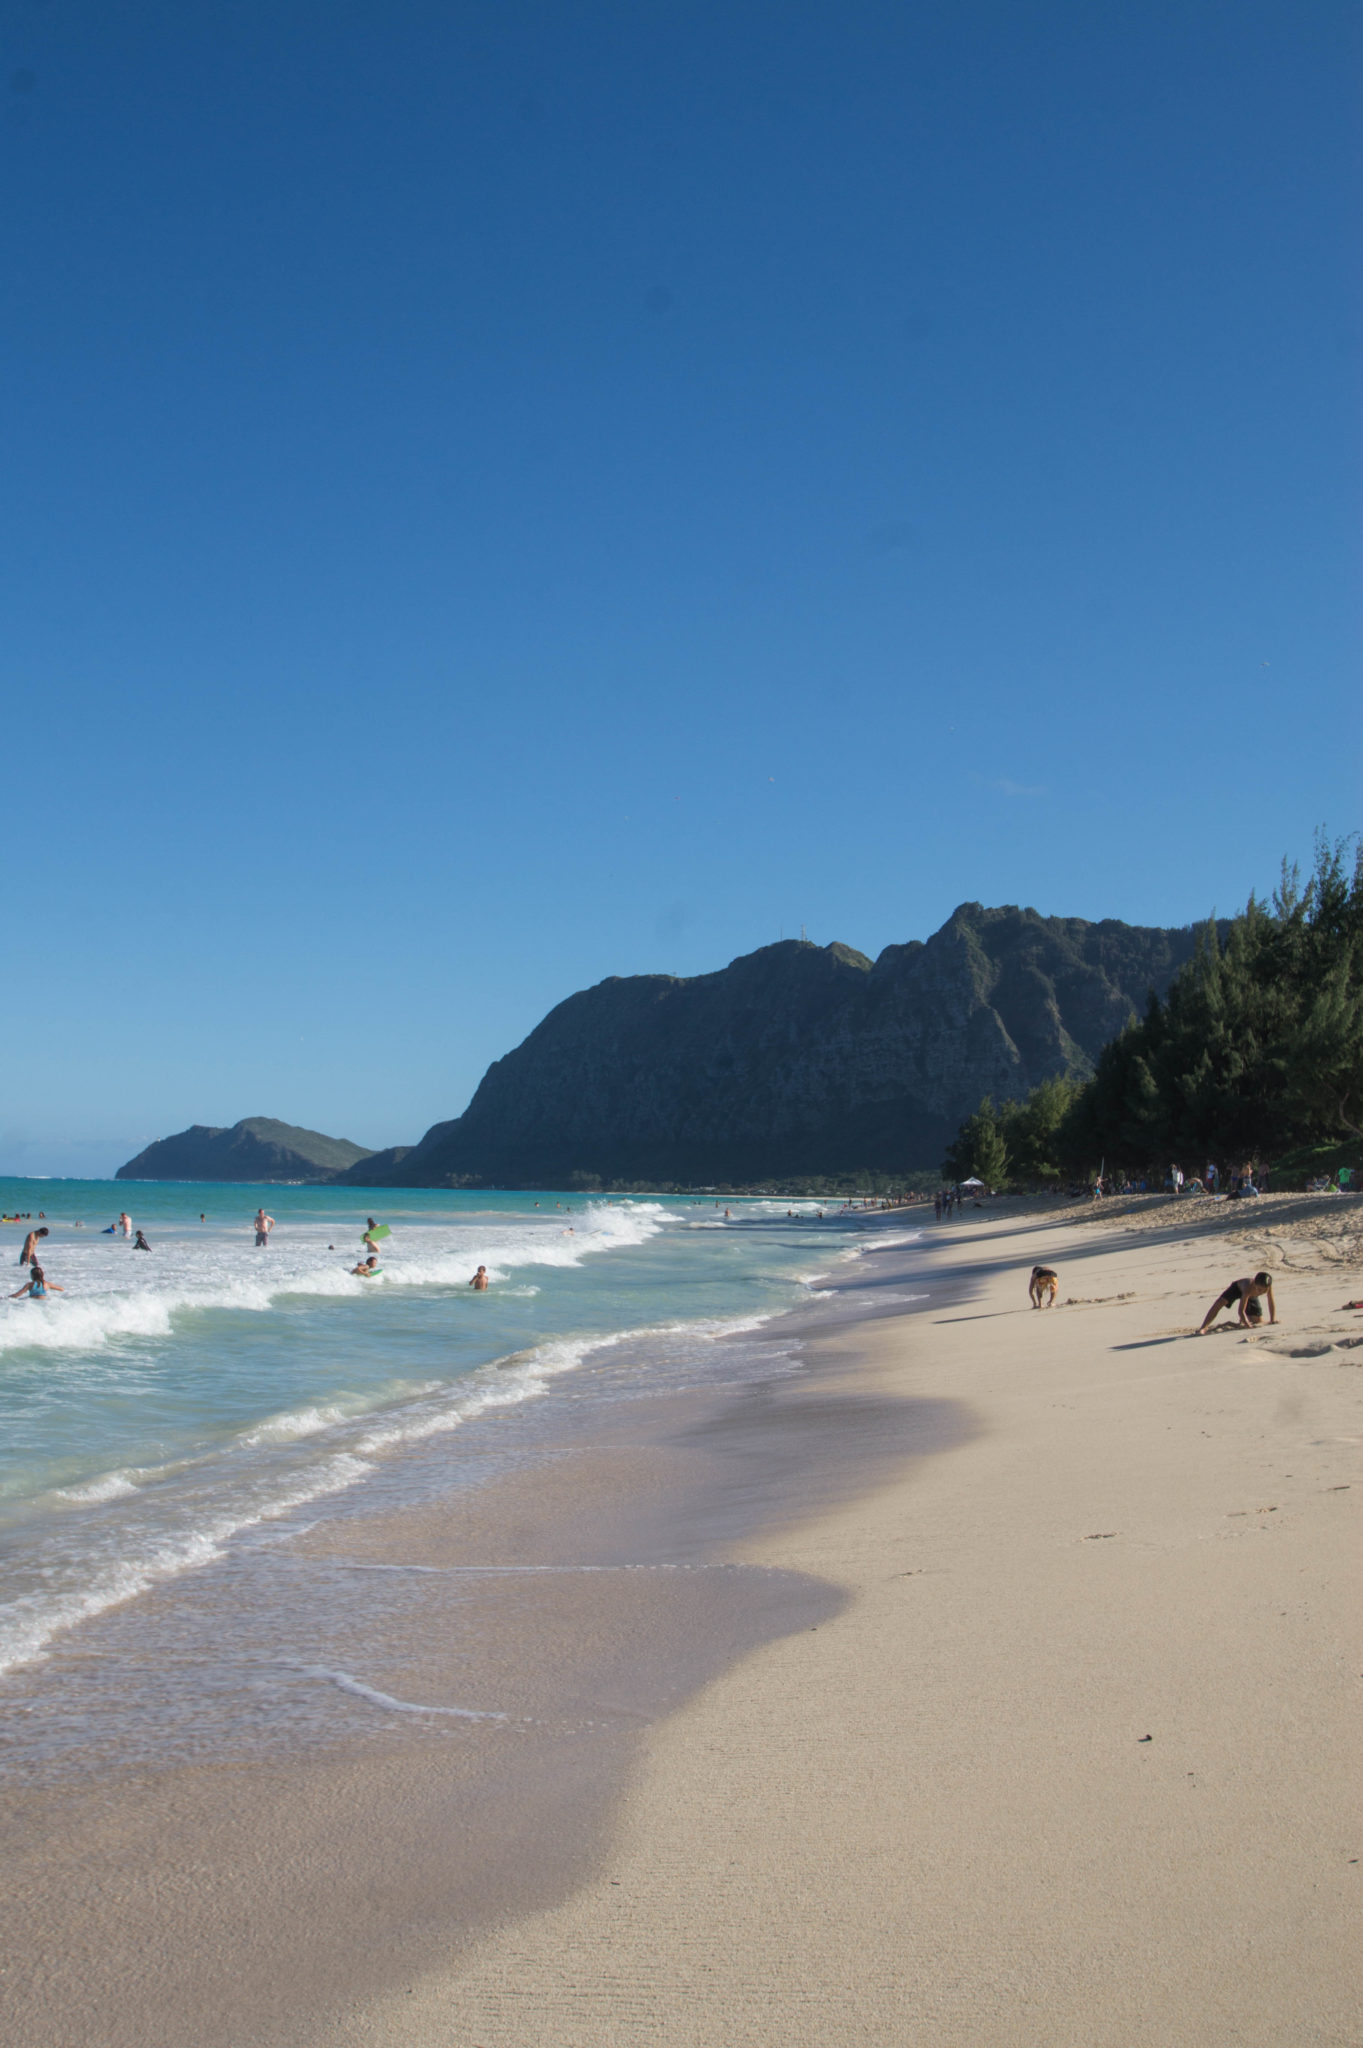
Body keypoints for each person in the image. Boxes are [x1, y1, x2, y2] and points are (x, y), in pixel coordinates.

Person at [1198, 1271, 1276, 1334]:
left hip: (1251, 1296)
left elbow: (1270, 1301)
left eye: (1264, 1290)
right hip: (1236, 1289)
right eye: (1259, 1289)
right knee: (1219, 1303)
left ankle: (1230, 1324)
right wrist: (1247, 1324)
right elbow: (1241, 1310)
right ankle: (1203, 1327)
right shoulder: (1248, 1286)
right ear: (1254, 1284)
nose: (1261, 1292)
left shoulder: (1268, 1286)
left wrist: (1272, 1319)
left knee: (1257, 1321)